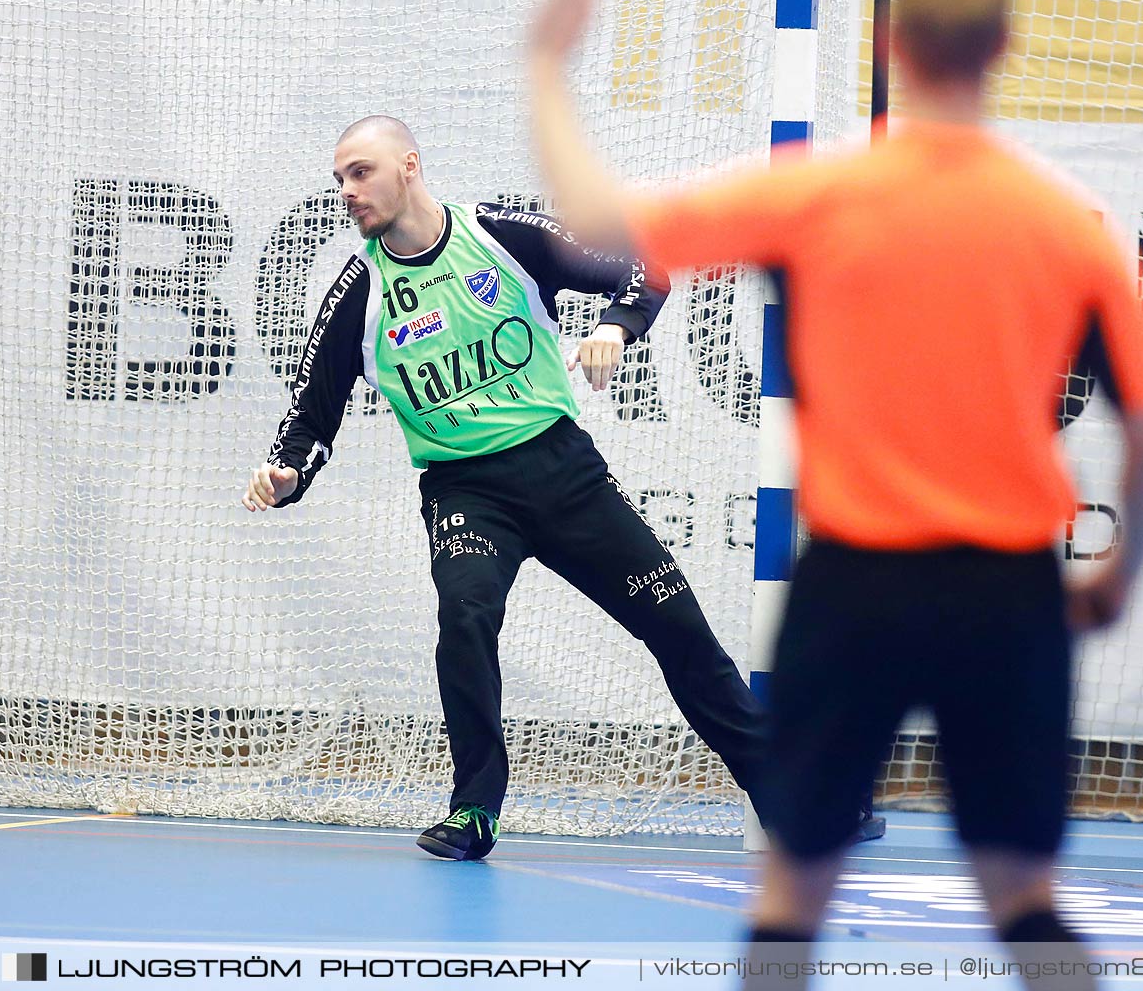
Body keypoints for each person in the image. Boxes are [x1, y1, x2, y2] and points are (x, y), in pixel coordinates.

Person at [526, 0, 1143, 989]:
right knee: (1025, 900)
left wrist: (547, 68)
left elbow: (598, 226)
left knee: (792, 898)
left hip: (856, 588)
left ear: (890, 45)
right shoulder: (1070, 225)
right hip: (1006, 593)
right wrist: (1114, 579)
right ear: (1003, 47)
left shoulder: (823, 195)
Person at [243, 116, 883, 860]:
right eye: (339, 180)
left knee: (680, 632)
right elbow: (309, 419)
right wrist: (287, 473)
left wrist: (618, 323)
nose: (347, 191)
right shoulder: (360, 295)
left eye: (360, 172)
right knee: (466, 612)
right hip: (465, 492)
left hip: (564, 474)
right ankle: (474, 810)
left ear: (409, 166)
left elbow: (644, 265)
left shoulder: (503, 238)